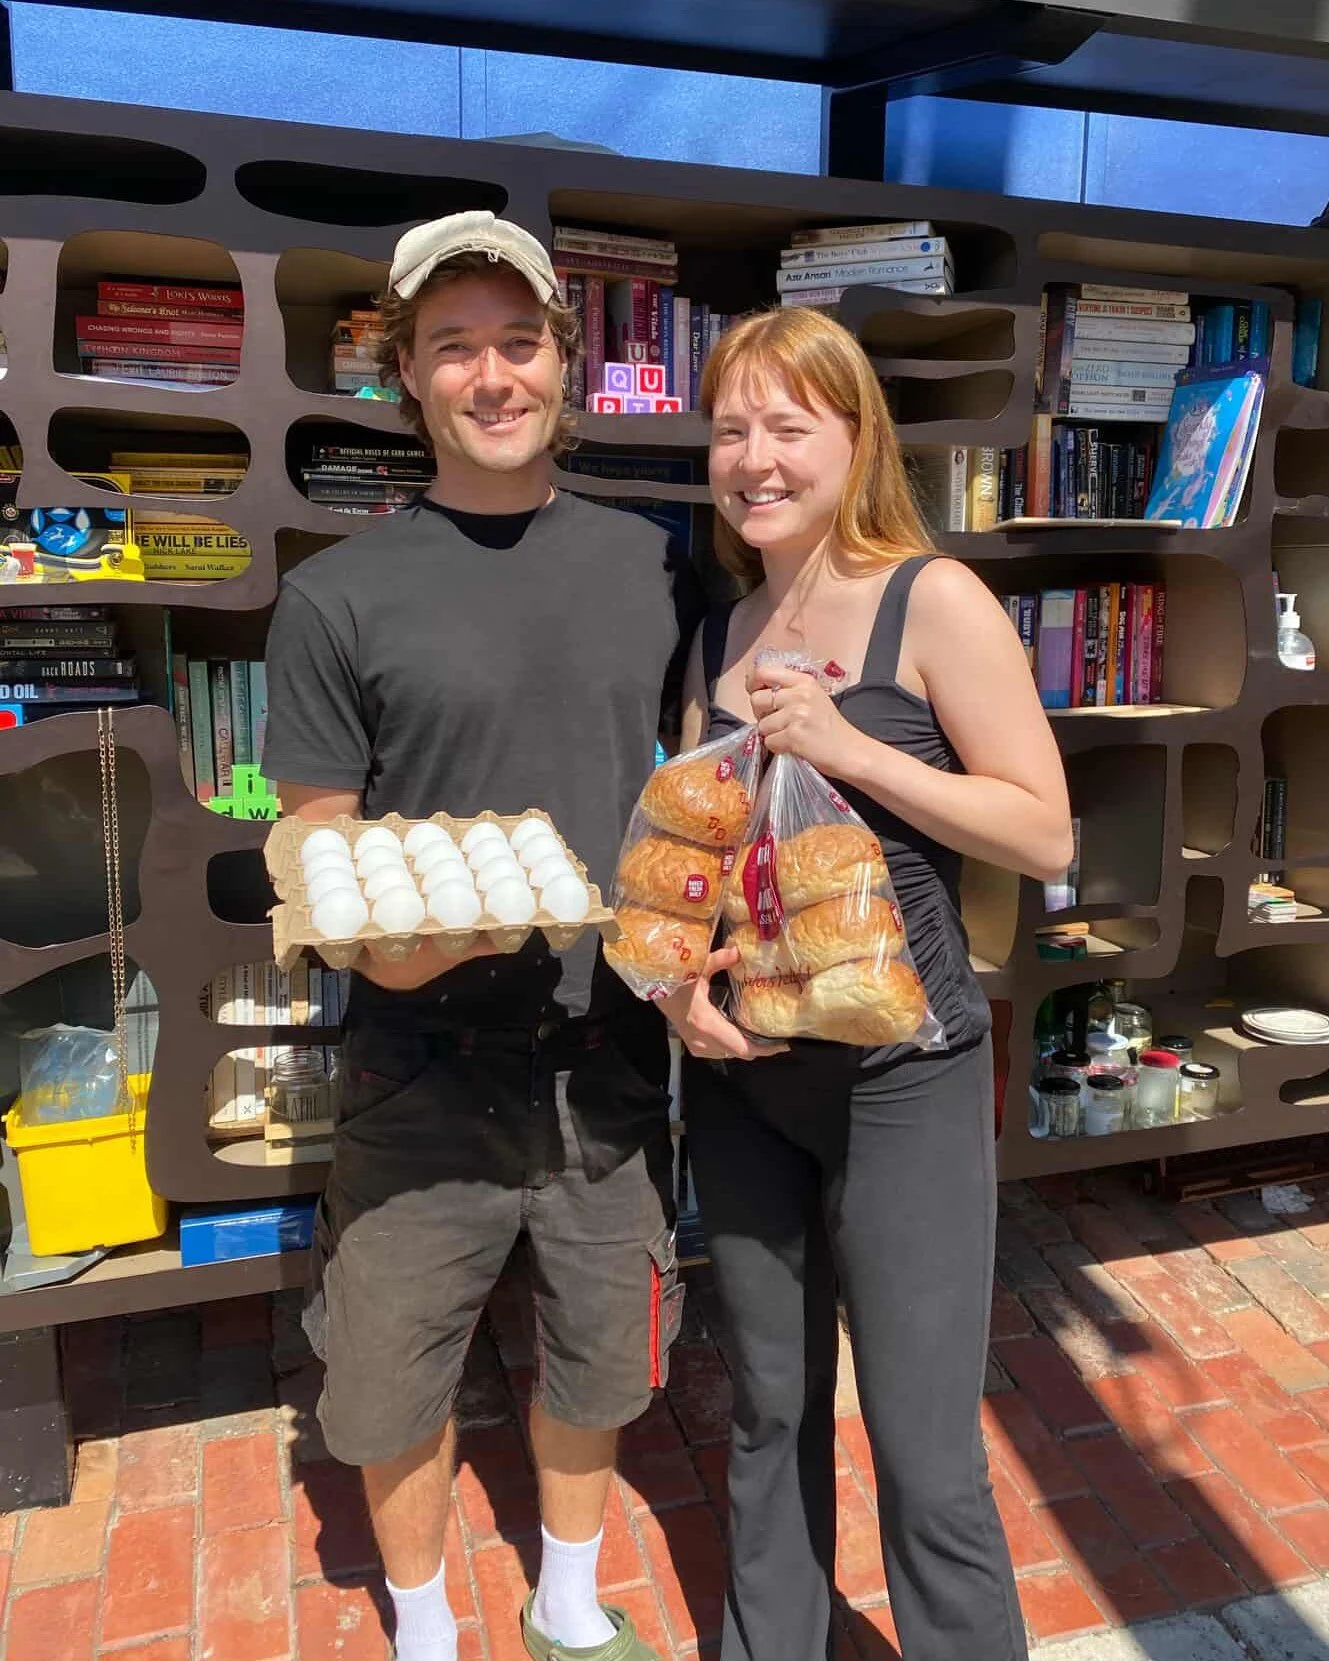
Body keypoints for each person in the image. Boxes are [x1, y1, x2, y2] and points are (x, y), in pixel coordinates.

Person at [261, 209, 700, 1661]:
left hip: (606, 1048)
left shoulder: (655, 566)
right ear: (406, 373)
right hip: (418, 1059)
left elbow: (708, 781)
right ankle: (426, 1624)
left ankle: (569, 1598)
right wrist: (378, 948)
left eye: (520, 341)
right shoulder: (338, 594)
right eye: (454, 347)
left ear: (564, 361)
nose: (493, 375)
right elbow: (317, 836)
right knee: (389, 1371)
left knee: (602, 1347)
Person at [661, 307, 1073, 1661]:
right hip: (749, 1081)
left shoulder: (930, 599)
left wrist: (851, 746)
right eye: (732, 429)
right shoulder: (719, 627)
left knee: (924, 1448)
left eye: (790, 426)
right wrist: (678, 990)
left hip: (906, 1083)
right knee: (769, 1410)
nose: (756, 459)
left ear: (857, 440)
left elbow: (1043, 833)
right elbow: (700, 855)